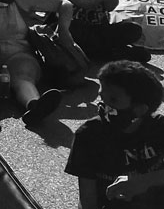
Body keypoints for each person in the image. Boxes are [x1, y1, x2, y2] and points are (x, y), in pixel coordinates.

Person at [65, 61, 164, 209]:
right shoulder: (89, 135)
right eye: (102, 98)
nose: (105, 107)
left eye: (113, 100)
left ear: (140, 110)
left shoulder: (159, 128)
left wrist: (144, 181)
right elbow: (88, 201)